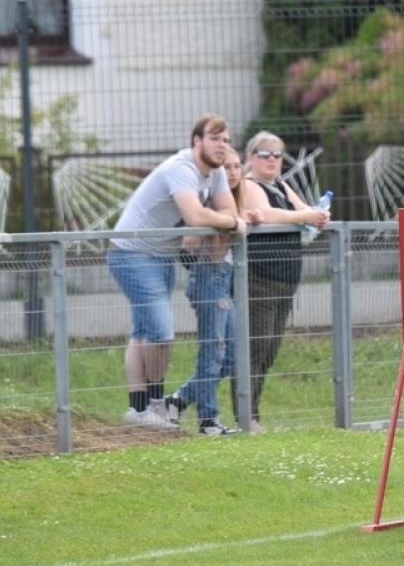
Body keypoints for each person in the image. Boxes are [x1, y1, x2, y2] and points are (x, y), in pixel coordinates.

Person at [107, 114, 245, 430]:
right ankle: (155, 406)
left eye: (226, 140)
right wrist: (233, 224)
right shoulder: (181, 168)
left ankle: (138, 410)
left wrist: (230, 219)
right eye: (215, 138)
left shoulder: (217, 173)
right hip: (131, 253)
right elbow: (198, 216)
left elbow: (228, 210)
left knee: (144, 331)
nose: (222, 145)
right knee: (161, 331)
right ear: (196, 140)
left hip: (161, 255)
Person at [239, 131, 328, 433]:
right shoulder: (249, 185)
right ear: (251, 157)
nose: (272, 160)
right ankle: (246, 416)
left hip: (286, 278)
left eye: (278, 155)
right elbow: (265, 214)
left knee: (270, 349)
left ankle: (253, 414)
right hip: (260, 277)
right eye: (265, 154)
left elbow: (307, 213)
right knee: (256, 346)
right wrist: (304, 215)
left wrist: (315, 216)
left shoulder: (281, 184)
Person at [164, 145, 244, 436]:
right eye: (227, 167)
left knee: (232, 355)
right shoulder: (210, 201)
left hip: (224, 277)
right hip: (209, 277)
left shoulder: (237, 200)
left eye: (237, 167)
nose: (232, 172)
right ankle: (208, 420)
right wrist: (221, 229)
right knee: (213, 351)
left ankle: (178, 399)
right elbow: (188, 244)